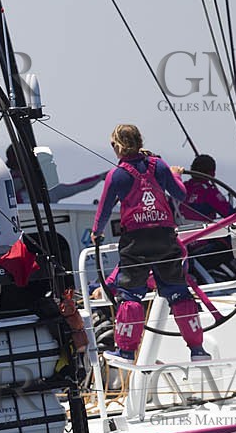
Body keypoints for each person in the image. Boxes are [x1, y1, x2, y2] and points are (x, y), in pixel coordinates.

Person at [90, 124, 210, 362]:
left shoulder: (117, 175)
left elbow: (104, 209)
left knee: (131, 295)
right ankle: (197, 351)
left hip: (136, 240)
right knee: (178, 292)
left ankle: (125, 351)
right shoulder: (159, 165)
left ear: (116, 146)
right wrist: (174, 175)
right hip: (165, 236)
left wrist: (97, 232)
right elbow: (181, 194)